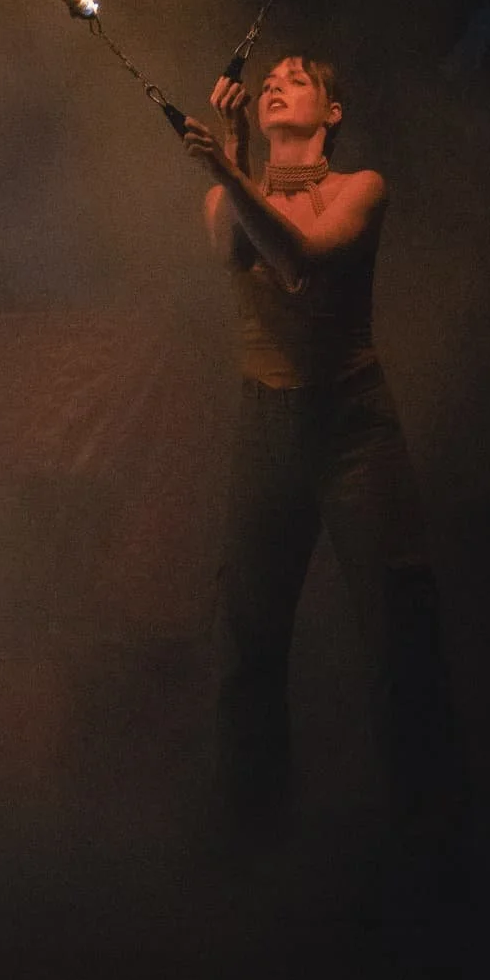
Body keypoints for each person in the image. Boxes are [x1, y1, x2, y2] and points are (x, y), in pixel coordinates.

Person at [182, 55, 464, 868]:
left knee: (400, 631)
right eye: (269, 79)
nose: (275, 85)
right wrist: (232, 171)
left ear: (331, 112)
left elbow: (300, 261)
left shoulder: (360, 188)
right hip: (266, 420)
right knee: (248, 639)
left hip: (352, 422)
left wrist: (232, 166)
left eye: (298, 80)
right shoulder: (220, 197)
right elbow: (242, 246)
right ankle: (254, 848)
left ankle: (431, 852)